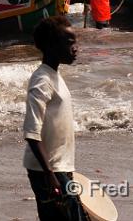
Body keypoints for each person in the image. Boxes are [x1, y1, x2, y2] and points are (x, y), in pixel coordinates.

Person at [23, 16, 86, 221]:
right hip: (48, 171)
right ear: (51, 45)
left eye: (75, 42)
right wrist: (50, 175)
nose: (75, 48)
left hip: (59, 168)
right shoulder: (42, 81)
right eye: (69, 43)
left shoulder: (54, 75)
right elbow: (31, 132)